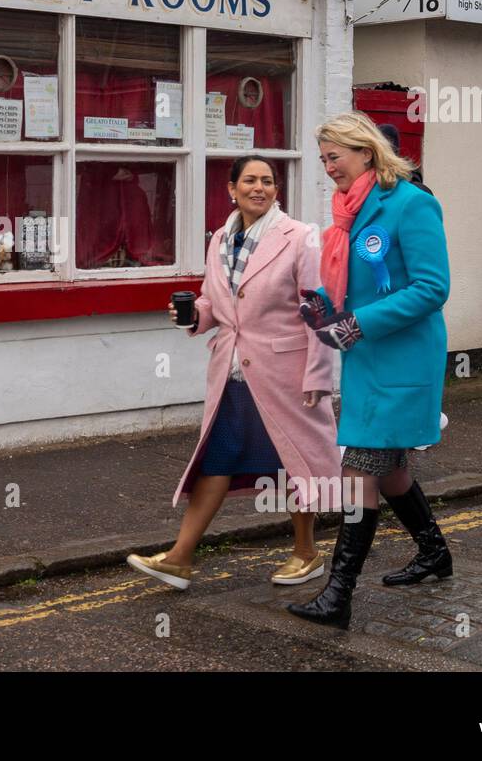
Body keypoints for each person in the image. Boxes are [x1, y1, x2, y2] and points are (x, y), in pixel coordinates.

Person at [127, 156, 341, 590]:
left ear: (276, 191)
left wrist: (319, 377)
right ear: (232, 188)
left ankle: (306, 552)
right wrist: (193, 317)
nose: (259, 188)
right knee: (218, 458)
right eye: (250, 180)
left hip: (286, 372)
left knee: (294, 458)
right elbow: (214, 303)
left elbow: (319, 310)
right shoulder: (221, 238)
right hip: (233, 372)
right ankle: (180, 558)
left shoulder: (300, 238)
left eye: (267, 181)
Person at [286, 112, 452, 630]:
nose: (327, 166)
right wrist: (328, 315)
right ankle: (434, 553)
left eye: (334, 155)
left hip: (401, 361)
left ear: (366, 152)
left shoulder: (411, 202)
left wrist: (357, 324)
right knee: (392, 469)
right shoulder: (348, 211)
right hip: (366, 358)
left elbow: (431, 287)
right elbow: (358, 283)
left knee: (359, 471)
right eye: (323, 158)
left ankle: (338, 595)